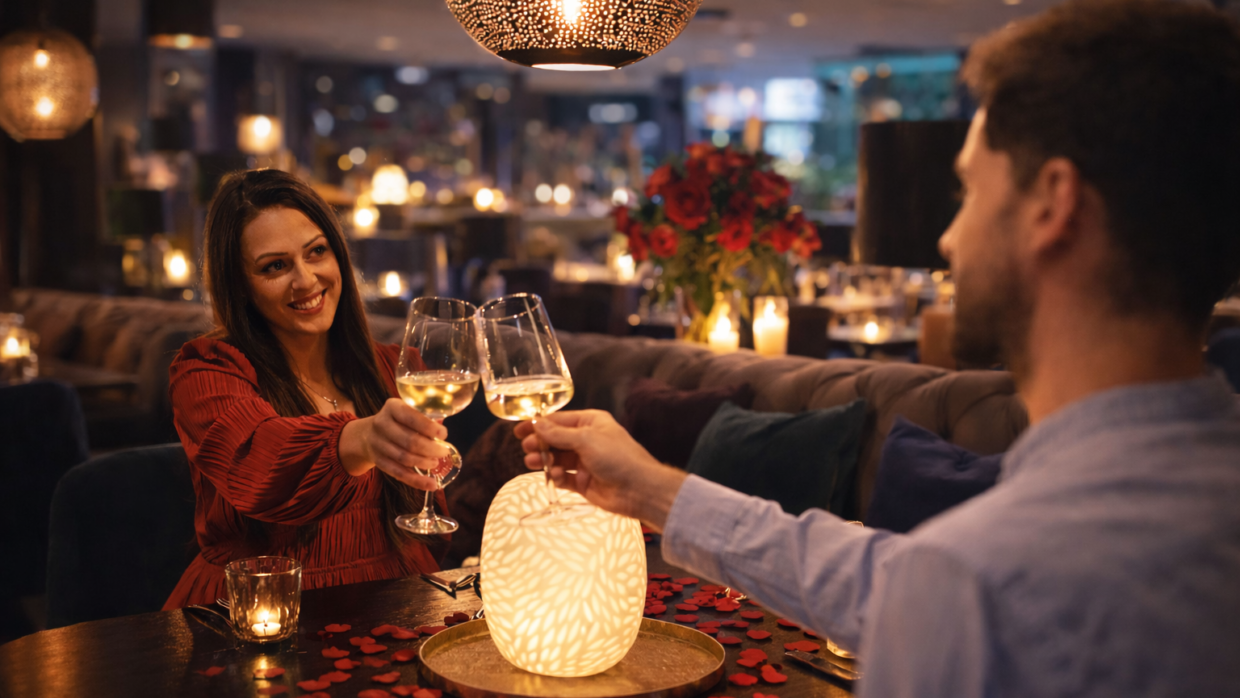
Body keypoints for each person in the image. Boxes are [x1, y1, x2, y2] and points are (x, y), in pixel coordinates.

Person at [516, 1, 1240, 695]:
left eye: (967, 193)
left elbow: (942, 588)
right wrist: (652, 490)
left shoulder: (982, 583)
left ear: (1053, 204)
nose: (950, 240)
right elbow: (891, 579)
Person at [163, 169, 450, 609]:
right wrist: (362, 438)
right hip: (259, 609)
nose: (305, 280)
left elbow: (430, 510)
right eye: (275, 266)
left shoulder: (394, 368)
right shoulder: (206, 371)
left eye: (316, 252)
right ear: (240, 287)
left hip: (396, 597)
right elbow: (259, 463)